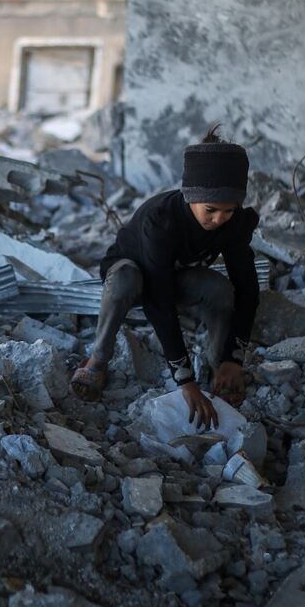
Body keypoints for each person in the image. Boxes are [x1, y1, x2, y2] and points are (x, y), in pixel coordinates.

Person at [69, 125, 260, 430]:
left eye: (228, 211)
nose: (219, 220)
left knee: (220, 288)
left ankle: (218, 366)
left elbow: (247, 288)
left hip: (177, 277)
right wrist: (184, 380)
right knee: (125, 281)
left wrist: (234, 357)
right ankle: (97, 359)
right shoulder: (161, 220)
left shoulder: (235, 224)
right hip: (136, 273)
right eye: (211, 210)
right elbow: (159, 302)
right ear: (190, 197)